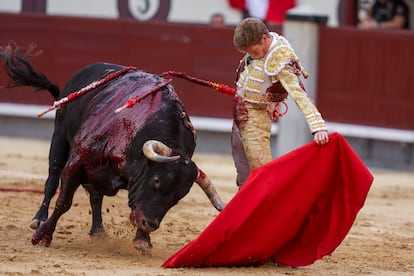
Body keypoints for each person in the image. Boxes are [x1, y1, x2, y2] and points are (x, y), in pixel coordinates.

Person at [231, 17, 329, 188]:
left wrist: (318, 126)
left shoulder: (280, 56)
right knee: (243, 170)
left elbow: (299, 93)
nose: (252, 56)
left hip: (256, 116)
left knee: (260, 170)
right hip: (240, 110)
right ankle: (248, 210)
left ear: (264, 38)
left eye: (254, 51)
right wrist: (273, 98)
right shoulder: (264, 43)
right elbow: (264, 78)